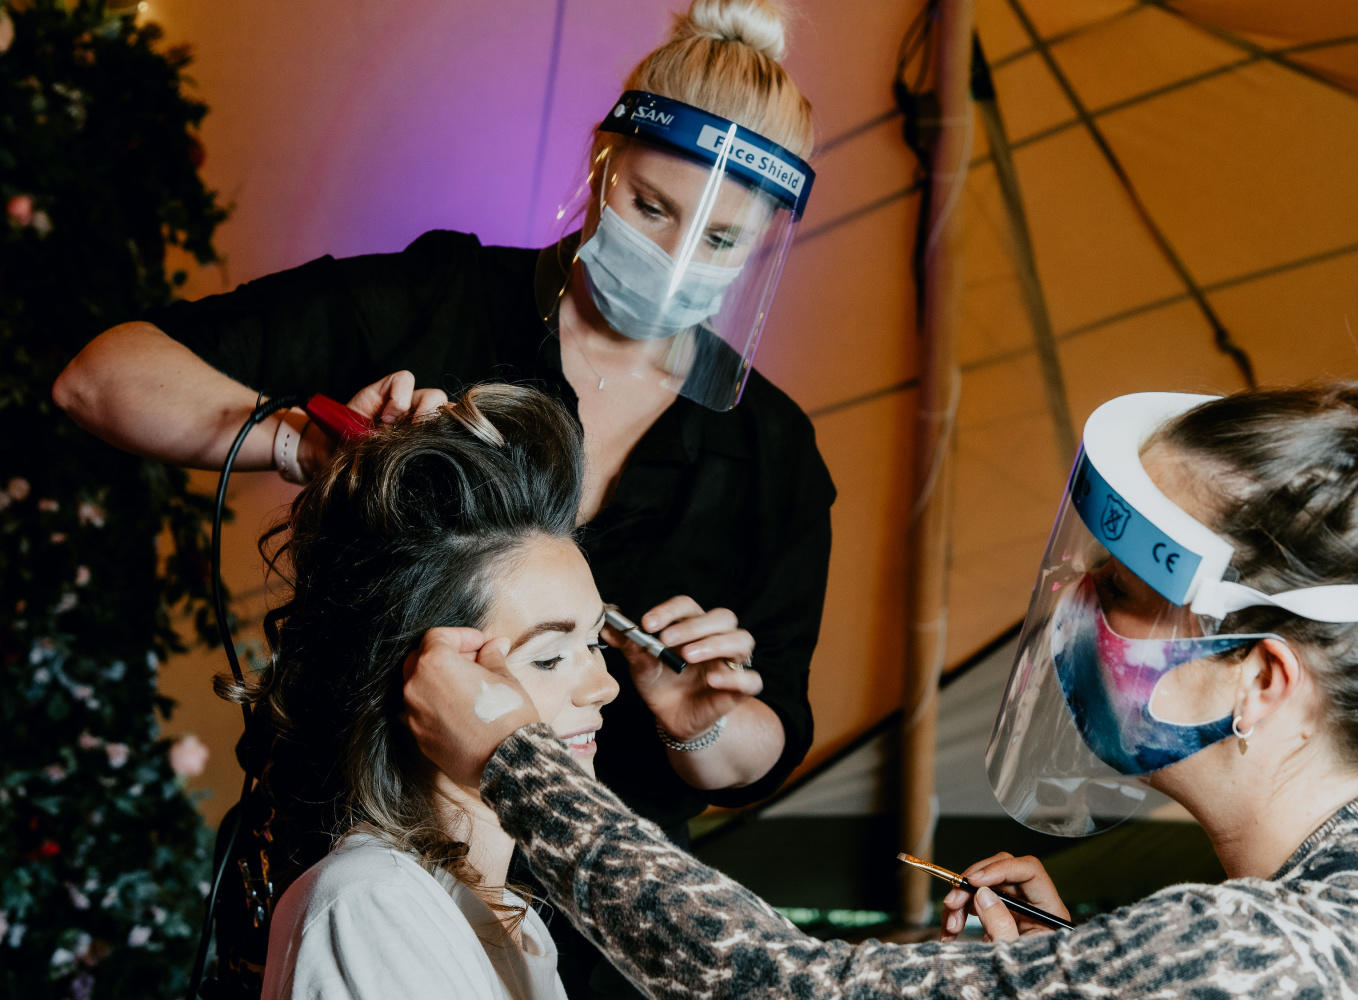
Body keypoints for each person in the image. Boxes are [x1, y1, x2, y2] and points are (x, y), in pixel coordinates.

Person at [52, 1, 831, 994]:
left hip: (582, 925)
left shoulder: (772, 454)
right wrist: (304, 441)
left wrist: (701, 721)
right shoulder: (439, 300)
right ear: (601, 161)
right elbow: (99, 379)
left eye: (721, 238)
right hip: (349, 849)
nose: (677, 260)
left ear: (765, 238)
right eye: (651, 209)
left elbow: (762, 747)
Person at [404, 359, 1358, 999]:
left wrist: (512, 764)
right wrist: (1077, 971)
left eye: (1117, 596)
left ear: (1260, 677)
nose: (1071, 616)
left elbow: (785, 992)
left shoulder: (1258, 955)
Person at [240, 383, 763, 1000]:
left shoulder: (512, 924)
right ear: (419, 675)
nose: (603, 688)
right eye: (547, 657)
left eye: (595, 645)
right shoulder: (372, 905)